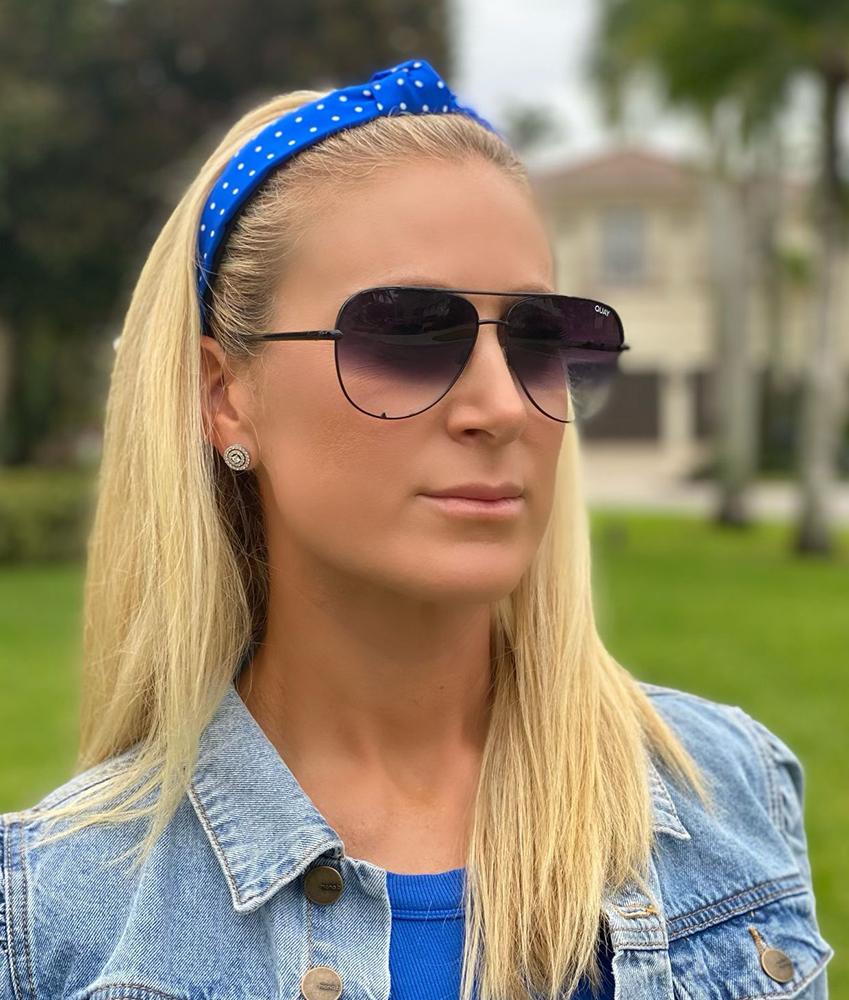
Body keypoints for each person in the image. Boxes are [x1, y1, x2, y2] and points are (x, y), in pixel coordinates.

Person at [0, 58, 833, 1000]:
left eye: (537, 338)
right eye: (406, 333)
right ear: (223, 395)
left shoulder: (729, 792)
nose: (501, 405)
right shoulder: (58, 919)